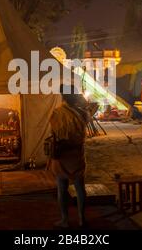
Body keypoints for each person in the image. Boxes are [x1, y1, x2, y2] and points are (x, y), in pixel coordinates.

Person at [49, 85, 88, 228]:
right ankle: (81, 219)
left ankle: (65, 220)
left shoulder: (57, 113)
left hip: (62, 154)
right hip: (77, 154)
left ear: (63, 97)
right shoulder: (82, 113)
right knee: (80, 188)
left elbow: (54, 132)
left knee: (61, 188)